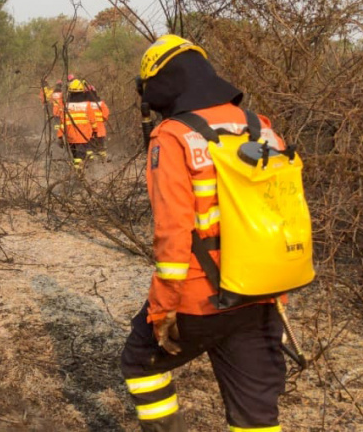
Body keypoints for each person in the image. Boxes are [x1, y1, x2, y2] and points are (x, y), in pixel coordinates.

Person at [121, 34, 288, 431]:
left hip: (200, 299)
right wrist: (277, 295)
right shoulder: (261, 127)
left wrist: (162, 309)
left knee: (139, 362)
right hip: (261, 294)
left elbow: (174, 231)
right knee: (257, 414)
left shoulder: (173, 135)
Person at [60, 78, 96, 172]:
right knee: (80, 158)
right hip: (84, 136)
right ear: (82, 92)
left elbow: (62, 123)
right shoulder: (87, 105)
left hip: (70, 137)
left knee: (76, 157)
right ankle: (79, 176)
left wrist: (60, 136)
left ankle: (77, 173)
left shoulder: (66, 107)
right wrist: (95, 132)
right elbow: (93, 121)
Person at [86, 84, 110, 162]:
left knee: (90, 148)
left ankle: (92, 163)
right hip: (100, 130)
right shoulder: (101, 104)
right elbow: (105, 115)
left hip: (89, 130)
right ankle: (103, 162)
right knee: (101, 148)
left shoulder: (85, 105)